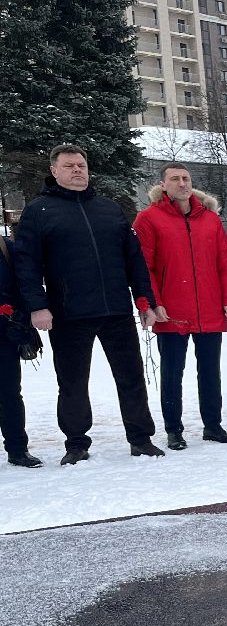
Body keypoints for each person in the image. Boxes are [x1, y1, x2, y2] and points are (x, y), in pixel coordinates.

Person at [12, 143, 164, 463]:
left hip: (115, 309)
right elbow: (26, 264)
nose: (78, 170)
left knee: (131, 376)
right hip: (69, 312)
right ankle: (76, 443)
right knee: (73, 381)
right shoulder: (38, 211)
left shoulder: (109, 209)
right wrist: (37, 305)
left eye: (81, 164)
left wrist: (145, 300)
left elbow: (134, 260)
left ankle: (140, 438)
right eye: (69, 166)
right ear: (54, 171)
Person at [132, 162, 227, 449]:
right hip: (172, 310)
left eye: (186, 178)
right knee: (172, 372)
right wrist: (154, 303)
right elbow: (144, 267)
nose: (182, 183)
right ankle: (173, 429)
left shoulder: (210, 219)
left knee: (210, 370)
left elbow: (225, 263)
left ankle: (213, 426)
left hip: (208, 307)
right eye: (175, 179)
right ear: (163, 185)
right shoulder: (148, 218)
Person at [0, 233, 40, 467]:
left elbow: (25, 282)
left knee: (9, 394)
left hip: (4, 333)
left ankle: (17, 449)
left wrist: (21, 316)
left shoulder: (7, 247)